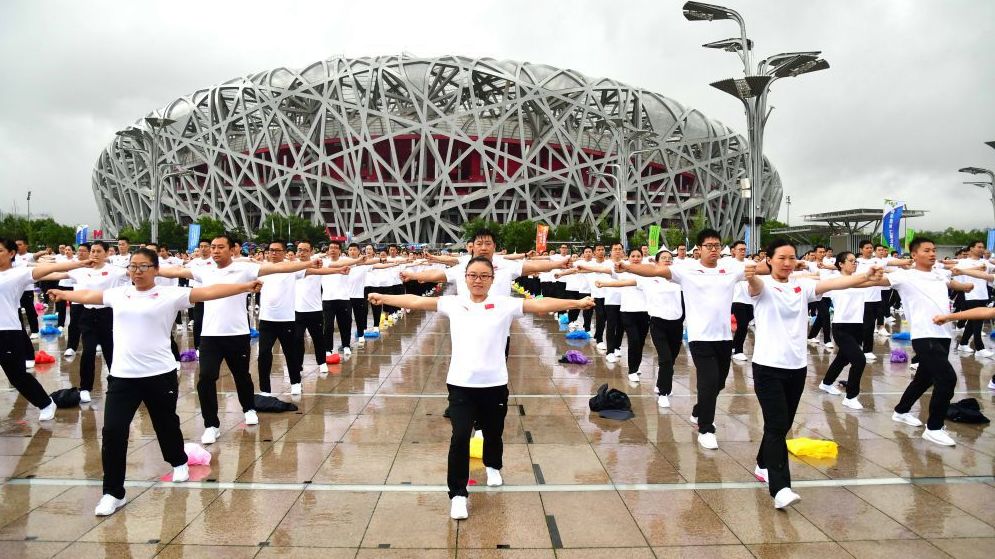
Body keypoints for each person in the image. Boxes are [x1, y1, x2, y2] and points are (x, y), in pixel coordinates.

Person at [369, 256, 594, 520]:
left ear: (491, 279)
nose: (478, 280)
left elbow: (540, 304)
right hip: (461, 384)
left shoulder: (504, 304)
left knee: (493, 432)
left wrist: (576, 303)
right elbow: (416, 301)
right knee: (460, 437)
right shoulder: (454, 303)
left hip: (494, 384)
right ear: (465, 278)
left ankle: (493, 466)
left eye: (484, 276)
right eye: (473, 275)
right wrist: (384, 297)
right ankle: (458, 495)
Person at [48, 248, 262, 516]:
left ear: (156, 269)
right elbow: (89, 296)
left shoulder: (170, 294)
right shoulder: (118, 294)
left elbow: (209, 292)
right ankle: (113, 493)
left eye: (143, 267)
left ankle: (178, 461)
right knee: (113, 432)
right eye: (132, 267)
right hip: (123, 376)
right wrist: (64, 294)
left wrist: (245, 287)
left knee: (166, 423)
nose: (136, 272)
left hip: (159, 374)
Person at [745, 238, 881, 509]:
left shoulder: (803, 285)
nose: (787, 263)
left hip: (797, 368)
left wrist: (865, 275)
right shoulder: (763, 285)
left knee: (782, 424)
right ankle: (780, 488)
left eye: (791, 258)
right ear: (769, 260)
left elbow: (836, 283)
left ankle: (763, 463)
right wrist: (751, 276)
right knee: (776, 424)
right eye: (781, 258)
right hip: (768, 367)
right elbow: (755, 286)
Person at [157, 234, 319, 444]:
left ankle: (249, 408)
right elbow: (177, 271)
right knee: (206, 378)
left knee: (241, 376)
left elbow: (280, 268)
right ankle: (211, 425)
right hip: (210, 336)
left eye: (220, 247)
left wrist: (308, 263)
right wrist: (148, 268)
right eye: (213, 247)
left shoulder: (245, 269)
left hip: (237, 334)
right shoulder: (204, 270)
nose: (215, 251)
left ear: (232, 249)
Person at [621, 229, 744, 450]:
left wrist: (791, 266)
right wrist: (628, 266)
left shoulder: (730, 269)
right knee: (707, 381)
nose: (714, 249)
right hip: (700, 337)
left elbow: (763, 269)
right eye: (709, 246)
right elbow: (654, 270)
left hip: (724, 337)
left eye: (717, 245)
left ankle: (699, 410)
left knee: (719, 383)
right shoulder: (687, 270)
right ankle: (706, 428)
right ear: (699, 249)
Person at [866, 237, 974, 446]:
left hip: (944, 334)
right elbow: (877, 281)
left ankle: (901, 411)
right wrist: (869, 276)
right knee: (947, 379)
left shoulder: (939, 274)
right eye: (926, 250)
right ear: (914, 255)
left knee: (924, 379)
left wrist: (965, 286)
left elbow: (952, 282)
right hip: (924, 335)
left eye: (934, 250)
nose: (932, 253)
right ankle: (934, 428)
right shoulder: (904, 276)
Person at [1, 238, 91, 421]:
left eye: (0, 250)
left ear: (11, 253)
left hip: (7, 331)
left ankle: (45, 403)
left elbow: (51, 268)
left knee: (17, 376)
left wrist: (80, 263)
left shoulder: (18, 273)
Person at [818, 252, 870, 408]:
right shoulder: (834, 280)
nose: (854, 263)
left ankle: (826, 383)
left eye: (855, 261)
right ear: (840, 264)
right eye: (851, 261)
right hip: (841, 326)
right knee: (859, 360)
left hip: (857, 326)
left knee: (843, 358)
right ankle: (850, 397)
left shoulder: (859, 278)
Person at [594, 248, 649, 384]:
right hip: (627, 312)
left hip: (644, 313)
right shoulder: (622, 272)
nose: (636, 258)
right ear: (628, 258)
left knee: (640, 342)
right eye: (633, 256)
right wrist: (583, 267)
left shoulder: (647, 273)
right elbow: (604, 271)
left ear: (642, 257)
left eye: (638, 256)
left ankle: (636, 365)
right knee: (633, 340)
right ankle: (632, 370)